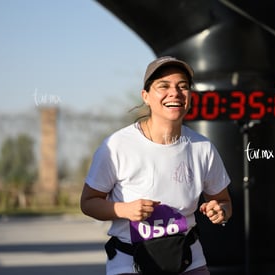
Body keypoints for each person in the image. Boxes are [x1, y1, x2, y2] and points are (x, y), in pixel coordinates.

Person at [80, 56, 232, 275]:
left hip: (189, 261)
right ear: (146, 96)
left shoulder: (203, 147)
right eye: (164, 86)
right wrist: (124, 209)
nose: (175, 93)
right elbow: (88, 202)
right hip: (130, 263)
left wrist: (221, 211)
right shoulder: (116, 146)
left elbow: (224, 202)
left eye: (183, 87)